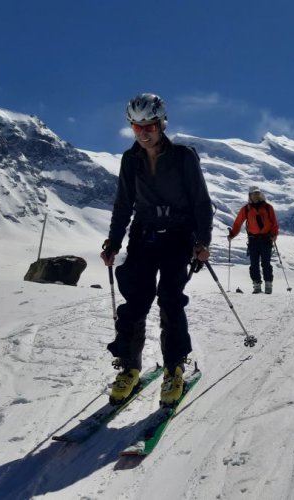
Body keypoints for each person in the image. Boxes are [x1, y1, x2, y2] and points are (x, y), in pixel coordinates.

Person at [99, 93, 213, 406]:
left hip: (178, 236)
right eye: (137, 127)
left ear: (162, 123)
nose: (144, 132)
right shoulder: (129, 160)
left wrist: (202, 242)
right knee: (135, 303)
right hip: (143, 236)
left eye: (149, 125)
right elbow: (124, 204)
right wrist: (113, 241)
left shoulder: (183, 156)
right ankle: (128, 367)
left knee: (170, 302)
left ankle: (174, 368)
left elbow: (201, 202)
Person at [227, 186, 279, 294]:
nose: (256, 196)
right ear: (250, 196)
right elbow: (238, 223)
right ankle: (257, 286)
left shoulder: (268, 208)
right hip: (253, 240)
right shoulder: (246, 209)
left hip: (266, 239)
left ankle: (268, 285)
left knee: (266, 263)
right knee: (254, 264)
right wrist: (232, 234)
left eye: (257, 194)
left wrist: (274, 234)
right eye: (254, 194)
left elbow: (274, 223)